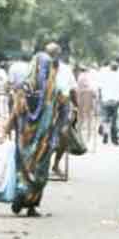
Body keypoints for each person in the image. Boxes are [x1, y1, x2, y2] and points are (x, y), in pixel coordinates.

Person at [2, 42, 65, 217]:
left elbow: (17, 110)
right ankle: (31, 204)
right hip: (44, 140)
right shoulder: (55, 89)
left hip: (25, 138)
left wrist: (8, 126)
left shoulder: (25, 87)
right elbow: (64, 111)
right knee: (39, 170)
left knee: (23, 167)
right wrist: (58, 131)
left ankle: (21, 195)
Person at [51, 51, 79, 179]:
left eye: (54, 54)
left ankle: (56, 164)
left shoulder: (66, 70)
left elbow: (73, 89)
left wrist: (76, 106)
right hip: (45, 106)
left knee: (64, 134)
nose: (52, 57)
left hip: (63, 106)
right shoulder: (41, 67)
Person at [98, 60, 119, 145]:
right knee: (114, 120)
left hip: (105, 101)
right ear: (117, 68)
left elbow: (100, 88)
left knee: (106, 119)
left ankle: (105, 134)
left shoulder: (104, 76)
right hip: (115, 101)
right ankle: (114, 139)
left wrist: (100, 98)